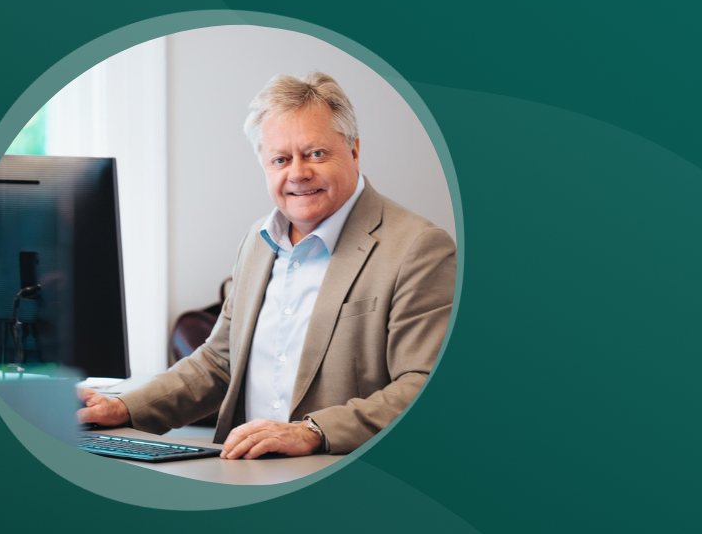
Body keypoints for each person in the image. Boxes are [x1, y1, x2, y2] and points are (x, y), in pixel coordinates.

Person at [78, 72, 456, 459]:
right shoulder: (258, 241)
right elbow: (219, 362)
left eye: (315, 154)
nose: (298, 173)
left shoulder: (418, 247)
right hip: (244, 472)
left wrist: (312, 432)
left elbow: (424, 384)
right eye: (281, 159)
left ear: (354, 151)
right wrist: (124, 408)